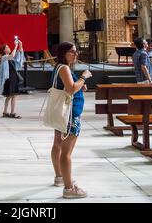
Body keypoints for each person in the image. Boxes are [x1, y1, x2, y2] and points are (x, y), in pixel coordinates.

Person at [50, 41, 92, 199]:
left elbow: (70, 86)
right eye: (72, 52)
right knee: (66, 152)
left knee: (58, 144)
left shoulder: (59, 67)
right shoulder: (65, 68)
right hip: (70, 115)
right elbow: (71, 88)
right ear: (63, 53)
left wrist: (80, 84)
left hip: (63, 113)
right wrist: (83, 77)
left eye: (76, 51)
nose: (75, 54)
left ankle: (60, 177)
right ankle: (69, 188)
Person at [0, 38, 24, 118]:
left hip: (13, 77)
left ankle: (10, 112)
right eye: (7, 47)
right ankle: (6, 112)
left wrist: (20, 46)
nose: (9, 48)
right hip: (8, 78)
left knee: (13, 95)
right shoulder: (4, 57)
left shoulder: (10, 57)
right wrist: (15, 46)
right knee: (9, 96)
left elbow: (19, 58)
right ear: (4, 50)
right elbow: (12, 55)